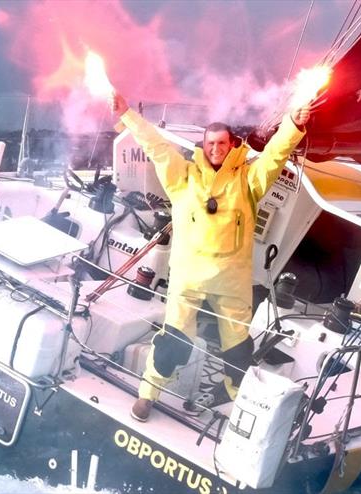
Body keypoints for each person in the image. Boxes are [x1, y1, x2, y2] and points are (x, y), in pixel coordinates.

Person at [110, 92, 310, 421]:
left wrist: (293, 124)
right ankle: (148, 394)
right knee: (173, 339)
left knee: (238, 347)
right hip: (188, 278)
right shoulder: (182, 177)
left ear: (232, 146)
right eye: (210, 143)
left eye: (221, 143)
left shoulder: (249, 181)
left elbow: (276, 155)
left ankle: (234, 399)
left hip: (232, 283)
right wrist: (126, 114)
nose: (215, 149)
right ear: (203, 147)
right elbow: (155, 146)